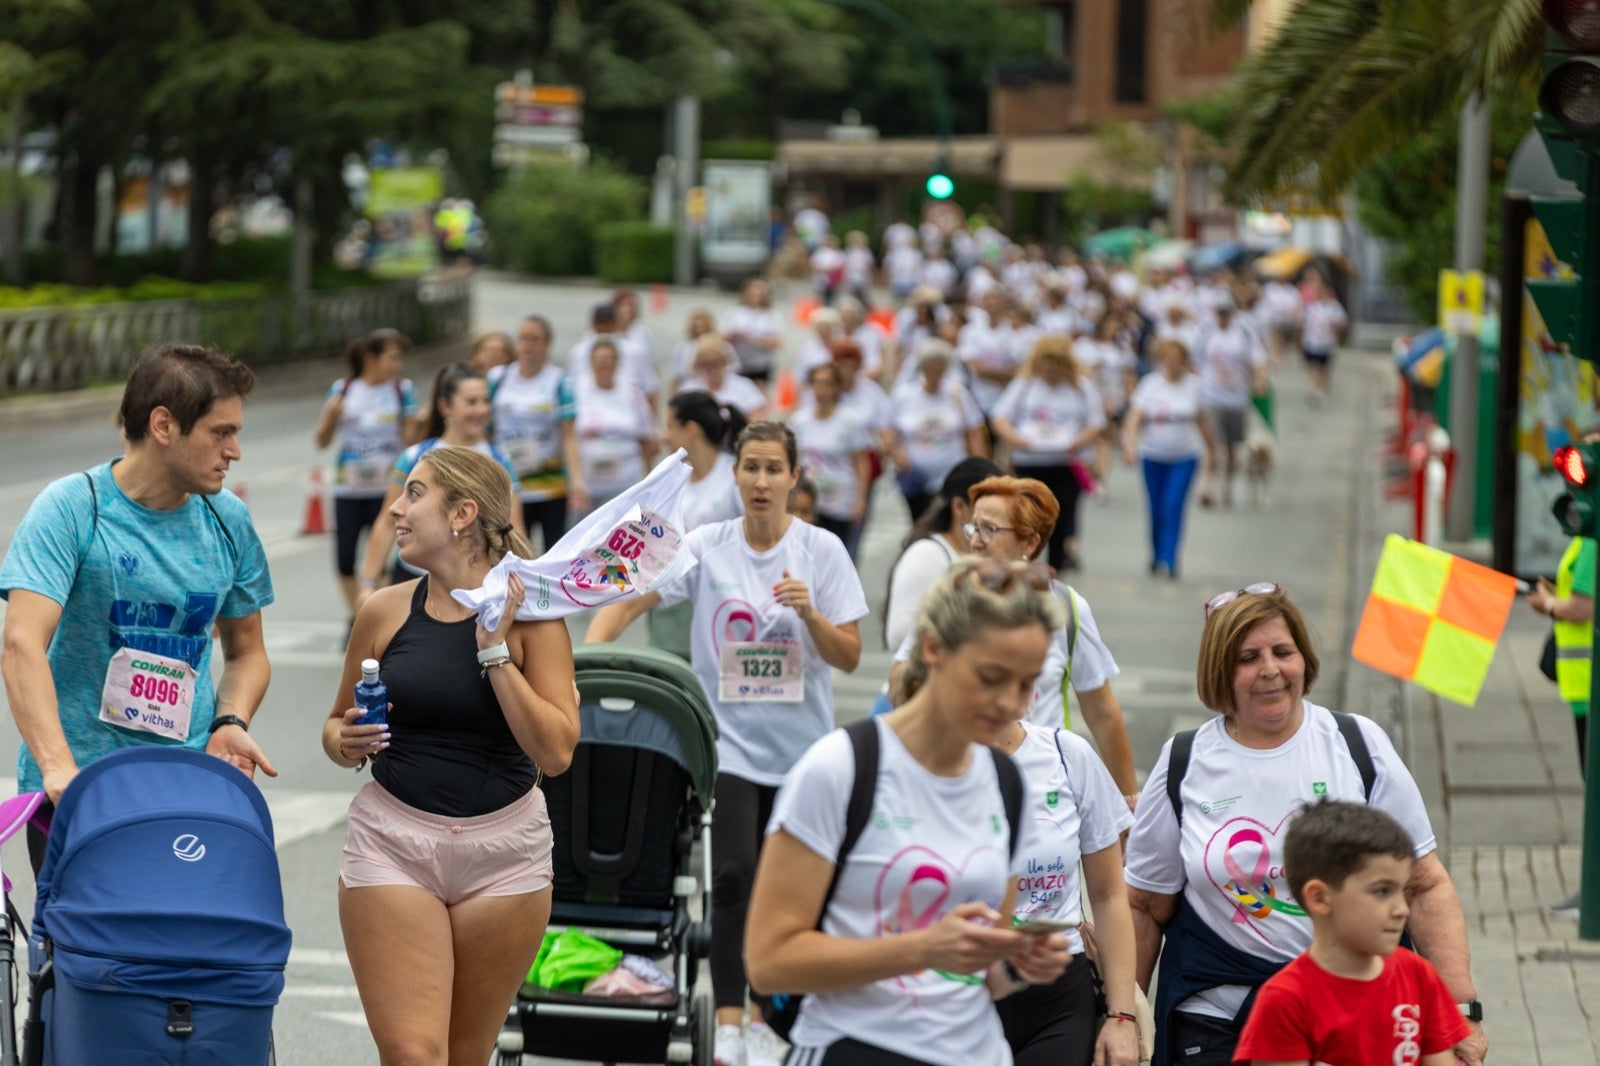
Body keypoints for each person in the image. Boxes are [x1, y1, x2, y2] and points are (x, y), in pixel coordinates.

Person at [585, 422, 868, 1066]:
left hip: (803, 754)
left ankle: (771, 1016)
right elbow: (629, 596)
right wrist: (586, 660)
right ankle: (734, 1019)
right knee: (734, 875)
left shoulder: (821, 551)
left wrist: (811, 615)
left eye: (774, 469)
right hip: (730, 744)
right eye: (751, 468)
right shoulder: (706, 545)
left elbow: (848, 656)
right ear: (735, 476)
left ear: (795, 478)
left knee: (789, 887)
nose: (762, 482)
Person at [1124, 584, 1486, 1066]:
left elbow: (1423, 884)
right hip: (1217, 1024)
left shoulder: (1357, 744)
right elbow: (1145, 907)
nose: (1270, 670)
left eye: (1282, 651)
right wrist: (1122, 1020)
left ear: (1304, 660)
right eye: (1247, 657)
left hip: (1358, 1019)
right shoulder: (1184, 762)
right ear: (1220, 672)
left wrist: (1460, 1009)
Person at [743, 559, 1074, 1066]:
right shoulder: (841, 767)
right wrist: (922, 949)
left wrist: (1020, 963)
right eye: (991, 677)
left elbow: (985, 971)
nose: (1011, 703)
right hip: (853, 1047)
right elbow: (768, 963)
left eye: (1028, 684)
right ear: (933, 648)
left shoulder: (1007, 783)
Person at [325, 446, 579, 1066]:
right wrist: (345, 739)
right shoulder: (384, 610)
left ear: (463, 513)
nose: (395, 509)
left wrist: (494, 653)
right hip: (394, 842)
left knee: (465, 1056)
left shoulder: (534, 617)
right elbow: (334, 730)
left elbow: (557, 750)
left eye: (413, 494)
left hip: (505, 856)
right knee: (414, 1054)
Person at [0, 343, 277, 874]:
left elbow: (247, 651)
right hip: (80, 790)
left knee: (178, 951)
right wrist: (60, 771)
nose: (236, 450)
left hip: (186, 785)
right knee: (79, 955)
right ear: (164, 425)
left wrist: (230, 720)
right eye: (221, 433)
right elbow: (20, 646)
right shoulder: (73, 508)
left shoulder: (228, 520)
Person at [891, 476, 1138, 799]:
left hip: (1042, 791)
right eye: (972, 527)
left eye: (989, 529)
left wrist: (1129, 800)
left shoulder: (1065, 607)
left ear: (1031, 543)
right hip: (956, 776)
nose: (976, 541)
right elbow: (901, 683)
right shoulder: (949, 597)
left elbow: (1102, 711)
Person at [1232, 800, 1469, 1066]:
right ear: (1320, 898)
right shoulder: (1286, 1001)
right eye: (1382, 891)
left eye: (1402, 891)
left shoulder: (1417, 976)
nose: (1402, 909)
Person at [992, 683, 1140, 1066]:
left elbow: (1109, 895)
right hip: (960, 997)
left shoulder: (1066, 754)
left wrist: (1121, 1016)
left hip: (1057, 1000)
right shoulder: (926, 766)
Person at [358, 363, 521, 599]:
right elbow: (386, 523)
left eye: (486, 401)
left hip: (476, 585)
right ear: (445, 406)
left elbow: (513, 528)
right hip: (413, 579)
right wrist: (368, 583)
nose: (481, 410)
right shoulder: (415, 457)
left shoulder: (500, 462)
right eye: (472, 402)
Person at [314, 328, 424, 618]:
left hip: (386, 489)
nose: (396, 365)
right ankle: (358, 615)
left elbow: (412, 440)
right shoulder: (344, 390)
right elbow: (322, 441)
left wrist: (419, 421)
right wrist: (330, 415)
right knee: (345, 560)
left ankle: (380, 615)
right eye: (392, 357)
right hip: (348, 488)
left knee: (385, 555)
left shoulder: (402, 390)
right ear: (370, 357)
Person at [646, 391, 748, 660]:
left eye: (670, 425)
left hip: (725, 611)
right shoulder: (670, 478)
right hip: (671, 611)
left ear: (690, 429)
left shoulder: (734, 479)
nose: (664, 436)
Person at [990, 336, 1106, 572]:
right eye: (1047, 368)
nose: (1051, 374)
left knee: (1060, 522)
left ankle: (1055, 573)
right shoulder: (1025, 384)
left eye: (1056, 369)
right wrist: (1015, 439)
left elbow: (1096, 422)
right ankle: (1025, 571)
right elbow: (999, 416)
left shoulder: (1080, 387)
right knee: (1027, 521)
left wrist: (1079, 441)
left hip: (1065, 464)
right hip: (1030, 463)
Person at [1529, 532, 1595, 918]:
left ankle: (1594, 895)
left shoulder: (1591, 541)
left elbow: (1583, 607)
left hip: (1591, 689)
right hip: (1584, 689)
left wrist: (1550, 604)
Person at [1121, 336, 1216, 579]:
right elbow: (1134, 418)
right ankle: (1156, 554)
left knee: (1173, 505)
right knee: (1156, 509)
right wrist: (1129, 445)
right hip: (1153, 455)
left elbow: (1204, 422)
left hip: (1184, 456)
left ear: (1184, 361)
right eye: (1167, 358)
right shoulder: (1151, 384)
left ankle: (1170, 559)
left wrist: (1213, 451)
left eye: (1177, 359)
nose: (1172, 363)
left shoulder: (1194, 386)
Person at [489, 314, 584, 552]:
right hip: (509, 486)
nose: (528, 346)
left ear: (547, 343)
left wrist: (577, 482)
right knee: (513, 553)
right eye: (523, 339)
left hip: (550, 485)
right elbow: (486, 430)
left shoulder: (560, 381)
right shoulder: (498, 378)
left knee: (554, 553)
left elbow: (569, 435)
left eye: (535, 339)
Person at [881, 339, 986, 523]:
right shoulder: (904, 395)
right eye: (930, 369)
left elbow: (974, 431)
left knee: (952, 522)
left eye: (940, 370)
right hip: (917, 478)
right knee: (921, 523)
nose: (934, 374)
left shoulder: (957, 393)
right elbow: (889, 431)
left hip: (952, 473)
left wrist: (979, 468)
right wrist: (900, 458)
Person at [1194, 294, 1268, 509]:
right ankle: (1209, 487)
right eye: (1219, 311)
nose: (1223, 315)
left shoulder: (1243, 333)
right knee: (1214, 445)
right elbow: (1194, 361)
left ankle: (1227, 485)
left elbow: (1258, 361)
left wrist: (1259, 379)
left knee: (1233, 449)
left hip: (1237, 398)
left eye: (1226, 311)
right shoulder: (1207, 332)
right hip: (1211, 395)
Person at [790, 362, 872, 550]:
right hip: (809, 504)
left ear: (836, 387)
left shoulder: (849, 421)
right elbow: (794, 460)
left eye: (827, 384)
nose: (822, 390)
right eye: (817, 384)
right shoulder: (800, 421)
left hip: (841, 502)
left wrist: (860, 499)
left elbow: (861, 461)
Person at [571, 339, 658, 515]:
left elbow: (648, 440)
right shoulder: (576, 393)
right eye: (600, 360)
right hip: (587, 487)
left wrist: (650, 482)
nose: (604, 364)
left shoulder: (633, 394)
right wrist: (575, 482)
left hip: (625, 484)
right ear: (591, 363)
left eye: (609, 359)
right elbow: (567, 437)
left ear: (618, 363)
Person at [681, 334, 771, 419]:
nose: (711, 369)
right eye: (706, 364)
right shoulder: (689, 388)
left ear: (724, 361)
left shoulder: (744, 386)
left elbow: (759, 416)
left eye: (715, 363)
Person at [721, 278, 785, 385]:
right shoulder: (734, 312)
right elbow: (721, 336)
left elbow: (778, 342)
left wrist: (757, 340)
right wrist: (735, 336)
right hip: (737, 363)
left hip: (760, 366)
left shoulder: (772, 315)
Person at [1298, 271, 1348, 406]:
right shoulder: (1311, 307)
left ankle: (1320, 388)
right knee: (1313, 367)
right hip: (1312, 341)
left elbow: (1343, 324)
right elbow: (1303, 325)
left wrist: (1335, 326)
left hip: (1327, 343)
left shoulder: (1334, 307)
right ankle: (1313, 390)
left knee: (1324, 368)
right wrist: (1302, 341)